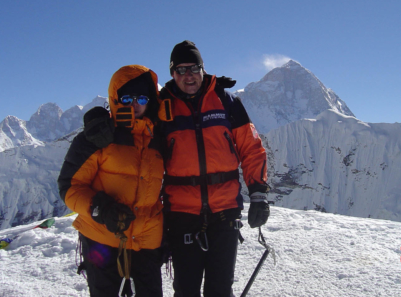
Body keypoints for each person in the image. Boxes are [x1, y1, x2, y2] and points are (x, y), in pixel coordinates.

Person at [159, 40, 270, 297]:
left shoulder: (226, 101)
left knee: (220, 290)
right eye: (181, 70)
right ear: (172, 73)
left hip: (225, 215)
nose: (188, 76)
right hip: (182, 216)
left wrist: (258, 195)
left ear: (203, 69)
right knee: (185, 290)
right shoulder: (162, 108)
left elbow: (252, 149)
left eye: (194, 68)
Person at [58, 65, 165, 297]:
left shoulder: (159, 137)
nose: (135, 104)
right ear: (116, 99)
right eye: (127, 97)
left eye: (142, 97)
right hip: (102, 239)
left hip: (147, 240)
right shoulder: (98, 135)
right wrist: (101, 209)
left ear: (151, 101)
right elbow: (69, 188)